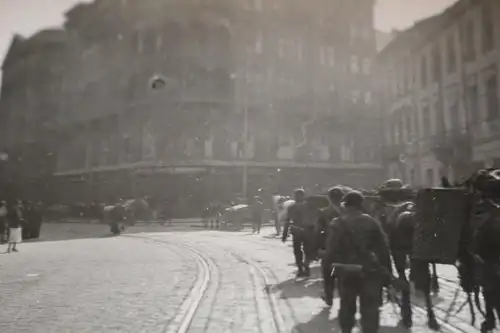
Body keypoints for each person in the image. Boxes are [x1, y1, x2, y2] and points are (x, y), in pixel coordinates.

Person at [324, 190, 391, 333]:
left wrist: (328, 282)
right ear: (360, 205)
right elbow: (383, 250)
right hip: (369, 271)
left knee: (347, 307)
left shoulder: (337, 223)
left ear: (345, 205)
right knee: (370, 311)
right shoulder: (370, 221)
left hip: (346, 272)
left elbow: (329, 254)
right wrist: (386, 273)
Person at [317, 186, 345, 306]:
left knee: (327, 272)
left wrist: (318, 248)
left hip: (330, 247)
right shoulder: (349, 211)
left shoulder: (324, 213)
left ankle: (329, 296)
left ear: (329, 198)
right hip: (347, 247)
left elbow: (318, 231)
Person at [282, 189, 315, 277]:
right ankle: (306, 267)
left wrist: (285, 234)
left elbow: (287, 221)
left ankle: (300, 268)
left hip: (296, 230)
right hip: (307, 230)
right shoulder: (309, 206)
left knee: (297, 250)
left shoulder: (291, 207)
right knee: (307, 249)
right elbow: (314, 219)